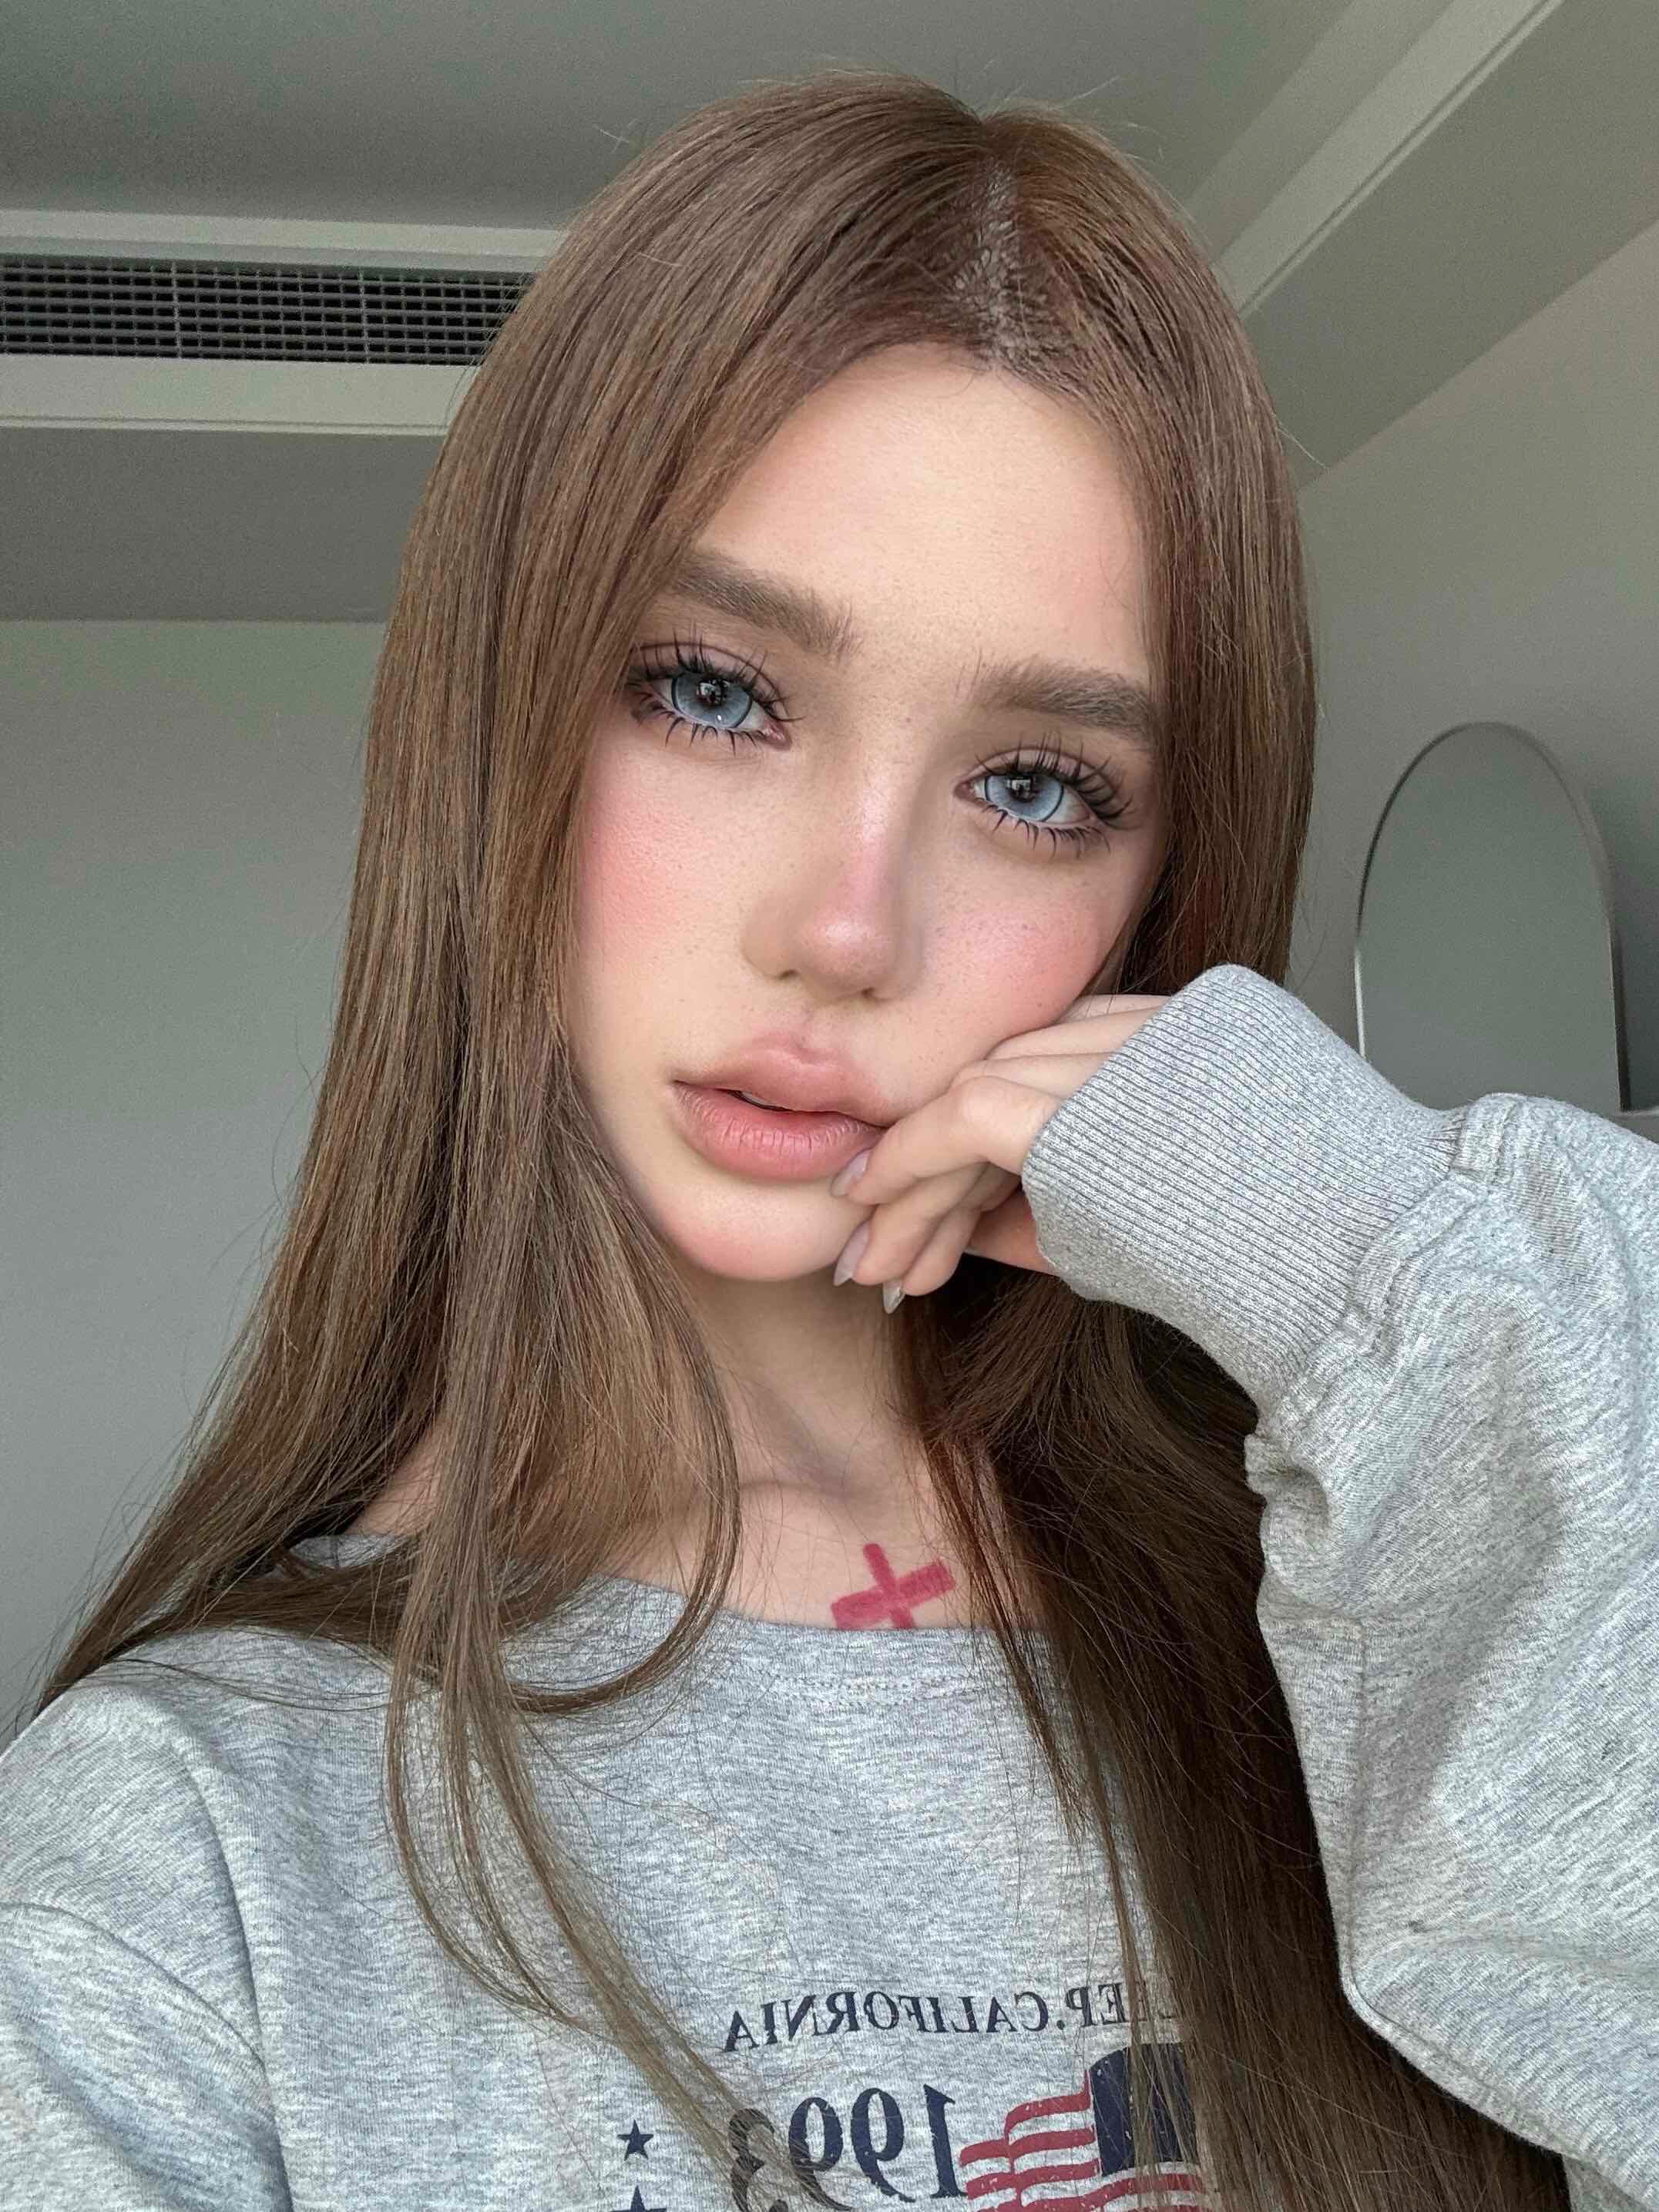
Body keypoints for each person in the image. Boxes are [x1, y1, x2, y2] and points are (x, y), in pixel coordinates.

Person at [1, 65, 1651, 2212]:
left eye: (1034, 787)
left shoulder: (1391, 1590)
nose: (848, 928)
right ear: (497, 722)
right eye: (712, 690)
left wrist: (1378, 1256)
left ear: (1157, 892)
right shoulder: (179, 1856)